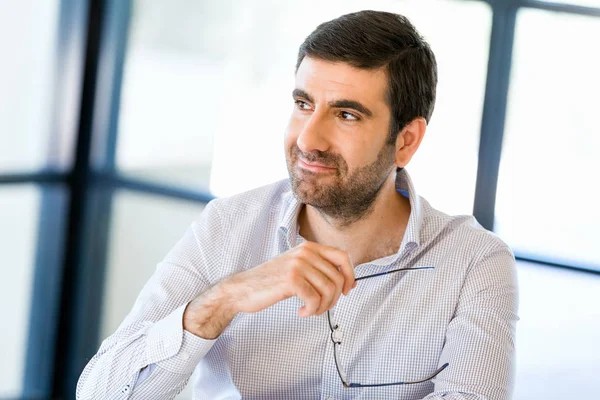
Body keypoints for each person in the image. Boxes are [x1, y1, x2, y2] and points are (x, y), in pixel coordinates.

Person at [77, 10, 519, 400]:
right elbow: (100, 393)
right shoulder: (226, 228)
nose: (308, 139)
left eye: (346, 115)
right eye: (303, 104)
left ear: (406, 141)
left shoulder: (474, 263)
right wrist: (222, 300)